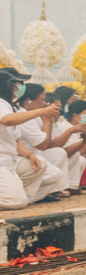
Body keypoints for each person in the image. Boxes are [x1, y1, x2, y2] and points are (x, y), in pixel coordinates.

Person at [0, 68, 61, 209]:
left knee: (41, 164)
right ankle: (16, 197)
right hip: (1, 162)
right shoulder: (1, 103)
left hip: (10, 161)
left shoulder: (9, 106)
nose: (19, 87)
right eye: (17, 83)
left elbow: (15, 141)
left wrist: (29, 155)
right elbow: (7, 120)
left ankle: (17, 193)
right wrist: (42, 112)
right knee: (17, 202)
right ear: (6, 85)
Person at [15, 84, 70, 198]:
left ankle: (52, 190)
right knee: (55, 174)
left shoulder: (35, 115)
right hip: (25, 158)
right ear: (28, 101)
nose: (45, 104)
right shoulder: (23, 116)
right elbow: (42, 145)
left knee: (58, 152)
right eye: (42, 100)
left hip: (37, 154)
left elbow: (48, 143)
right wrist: (47, 120)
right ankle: (27, 197)